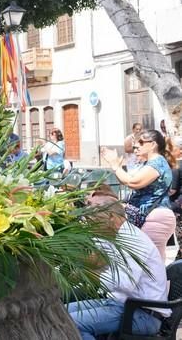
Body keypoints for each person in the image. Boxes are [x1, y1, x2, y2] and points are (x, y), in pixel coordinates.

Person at [67, 193, 169, 339]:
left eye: (93, 219)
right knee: (60, 314)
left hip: (144, 314)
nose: (89, 224)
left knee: (71, 324)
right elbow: (95, 260)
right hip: (120, 304)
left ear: (111, 217)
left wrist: (87, 274)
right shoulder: (114, 234)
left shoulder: (132, 240)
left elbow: (122, 284)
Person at [101, 129, 176, 260]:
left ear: (153, 144)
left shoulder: (157, 162)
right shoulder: (150, 163)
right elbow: (127, 179)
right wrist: (116, 167)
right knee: (149, 260)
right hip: (151, 217)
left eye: (141, 143)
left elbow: (132, 182)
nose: (136, 147)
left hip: (156, 217)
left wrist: (114, 165)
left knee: (147, 260)